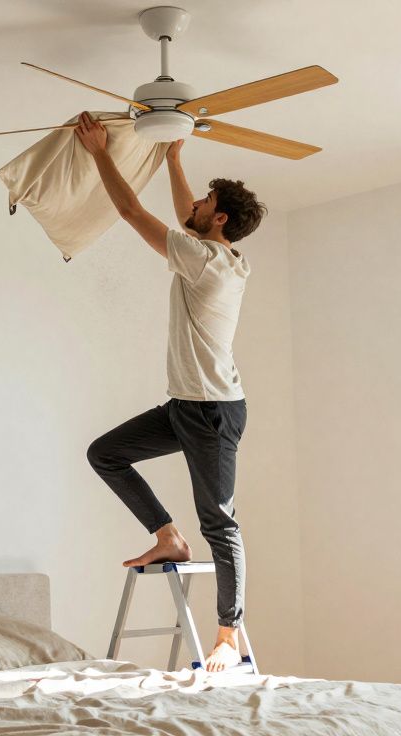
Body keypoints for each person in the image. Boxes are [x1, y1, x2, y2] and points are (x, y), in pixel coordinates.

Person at [74, 111, 266, 673]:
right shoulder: (221, 256)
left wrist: (99, 153)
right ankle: (166, 535)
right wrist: (176, 158)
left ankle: (227, 635)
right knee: (104, 453)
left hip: (212, 412)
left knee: (219, 522)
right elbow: (186, 216)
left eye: (204, 204)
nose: (194, 208)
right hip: (188, 405)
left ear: (219, 217)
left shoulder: (204, 261)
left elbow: (133, 211)